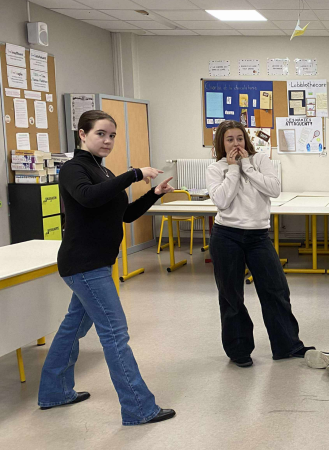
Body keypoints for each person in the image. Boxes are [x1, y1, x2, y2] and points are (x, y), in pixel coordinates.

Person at [38, 110, 175, 425]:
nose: (108, 141)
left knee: (73, 328)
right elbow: (87, 198)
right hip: (84, 265)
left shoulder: (103, 171)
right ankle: (138, 408)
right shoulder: (74, 169)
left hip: (96, 265)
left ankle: (54, 392)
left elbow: (124, 215)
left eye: (112, 135)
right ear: (82, 134)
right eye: (101, 133)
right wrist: (134, 174)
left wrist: (153, 194)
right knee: (115, 334)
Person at [206, 120, 312, 368]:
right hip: (226, 236)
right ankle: (239, 350)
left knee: (276, 290)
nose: (236, 144)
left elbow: (274, 189)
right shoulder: (216, 168)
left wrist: (247, 167)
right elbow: (222, 201)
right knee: (231, 295)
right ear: (222, 143)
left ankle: (287, 345)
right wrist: (233, 169)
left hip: (258, 237)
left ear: (246, 140)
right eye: (230, 139)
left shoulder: (260, 161)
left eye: (239, 138)